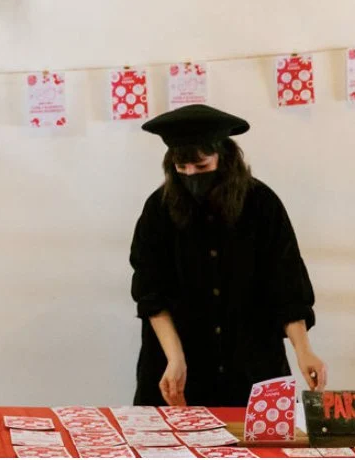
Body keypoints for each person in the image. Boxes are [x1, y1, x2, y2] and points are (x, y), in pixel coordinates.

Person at [129, 104, 326, 407]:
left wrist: (304, 350)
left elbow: (287, 285)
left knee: (263, 451)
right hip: (175, 363)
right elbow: (150, 291)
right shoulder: (158, 210)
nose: (192, 176)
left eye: (202, 166)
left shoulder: (262, 205)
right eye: (182, 170)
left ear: (225, 158)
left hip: (251, 364)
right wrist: (175, 357)